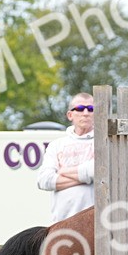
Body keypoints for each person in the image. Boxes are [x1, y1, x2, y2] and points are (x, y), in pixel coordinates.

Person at [37, 92, 96, 224]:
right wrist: (88, 179)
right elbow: (44, 180)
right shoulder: (57, 145)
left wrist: (62, 171)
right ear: (70, 115)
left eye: (91, 109)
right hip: (62, 224)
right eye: (80, 109)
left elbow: (98, 171)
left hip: (95, 225)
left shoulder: (103, 142)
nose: (86, 113)